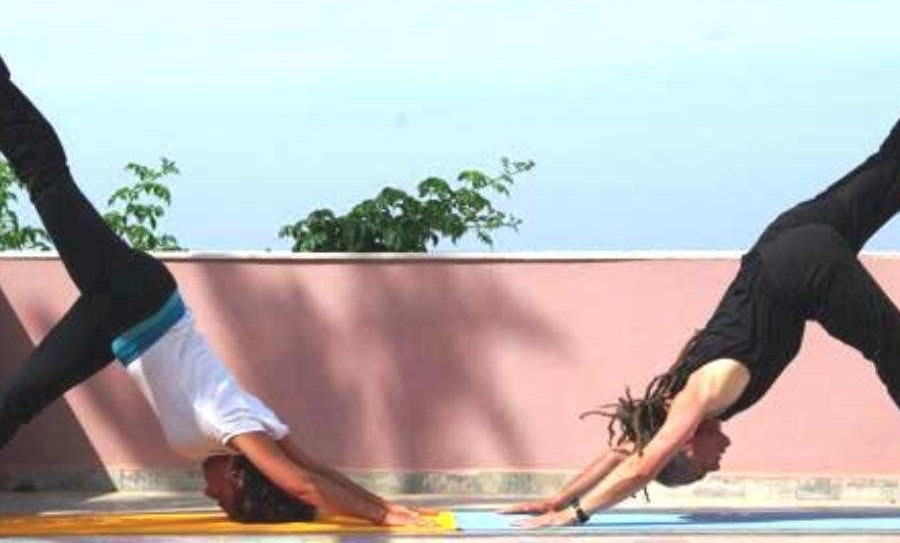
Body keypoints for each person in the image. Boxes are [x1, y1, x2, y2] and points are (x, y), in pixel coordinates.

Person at [0, 54, 429, 526]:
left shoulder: (259, 425)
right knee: (46, 178)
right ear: (241, 477)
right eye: (221, 498)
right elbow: (303, 484)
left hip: (125, 323)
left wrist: (384, 505)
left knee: (19, 398)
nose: (208, 491)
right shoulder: (233, 423)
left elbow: (316, 470)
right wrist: (382, 517)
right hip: (136, 301)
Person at [505, 115, 900, 528]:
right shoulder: (669, 398)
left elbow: (643, 464)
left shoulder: (698, 398)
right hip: (781, 239)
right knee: (892, 166)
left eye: (705, 468)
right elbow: (623, 452)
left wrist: (574, 513)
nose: (718, 464)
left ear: (686, 445)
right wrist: (556, 498)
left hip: (802, 268)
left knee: (893, 350)